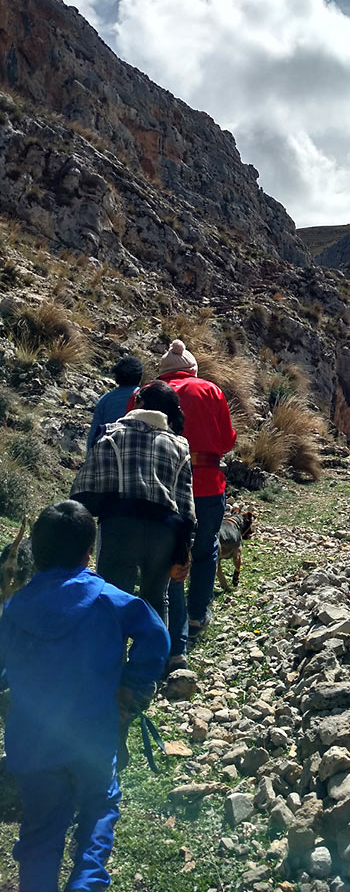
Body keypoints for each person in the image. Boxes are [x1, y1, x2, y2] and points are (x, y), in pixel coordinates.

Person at [0, 500, 169, 892]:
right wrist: (131, 685)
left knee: (42, 828)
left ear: (36, 553)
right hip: (93, 738)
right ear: (88, 552)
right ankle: (87, 883)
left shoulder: (14, 609)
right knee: (98, 810)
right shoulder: (109, 599)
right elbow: (156, 635)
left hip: (33, 746)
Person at [71, 381, 195, 664]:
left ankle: (109, 667)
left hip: (119, 527)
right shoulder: (180, 446)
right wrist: (184, 549)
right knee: (156, 599)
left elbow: (84, 488)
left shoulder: (112, 435)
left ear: (138, 403)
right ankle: (148, 670)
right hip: (164, 530)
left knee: (114, 595)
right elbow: (186, 505)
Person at [154, 339, 236, 656]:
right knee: (204, 548)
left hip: (157, 485)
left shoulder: (146, 393)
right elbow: (227, 441)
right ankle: (197, 614)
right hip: (205, 482)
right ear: (192, 370)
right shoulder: (210, 390)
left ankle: (158, 618)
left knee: (158, 552)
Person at [86, 356, 144, 452]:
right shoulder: (145, 398)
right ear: (140, 376)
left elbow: (94, 434)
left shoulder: (105, 400)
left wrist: (89, 459)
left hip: (108, 452)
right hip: (137, 451)